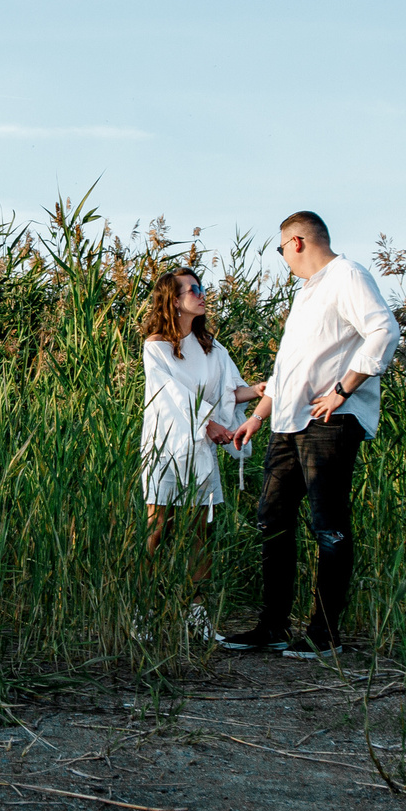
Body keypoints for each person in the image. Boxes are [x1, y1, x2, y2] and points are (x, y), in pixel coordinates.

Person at [220, 212, 398, 659]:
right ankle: (273, 627)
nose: (283, 258)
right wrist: (257, 417)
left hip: (329, 423)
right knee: (272, 519)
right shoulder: (306, 293)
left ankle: (324, 636)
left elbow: (384, 330)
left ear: (296, 242)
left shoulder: (347, 276)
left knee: (328, 526)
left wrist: (343, 389)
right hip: (287, 422)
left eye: (281, 250)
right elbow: (289, 370)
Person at [137, 267, 255, 638]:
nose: (201, 295)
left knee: (200, 531)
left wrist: (262, 390)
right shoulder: (156, 346)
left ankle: (196, 616)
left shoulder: (212, 348)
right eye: (193, 290)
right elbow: (170, 395)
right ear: (173, 299)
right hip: (165, 446)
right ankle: (145, 613)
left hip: (199, 449)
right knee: (158, 529)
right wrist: (210, 424)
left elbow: (229, 391)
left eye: (201, 288)